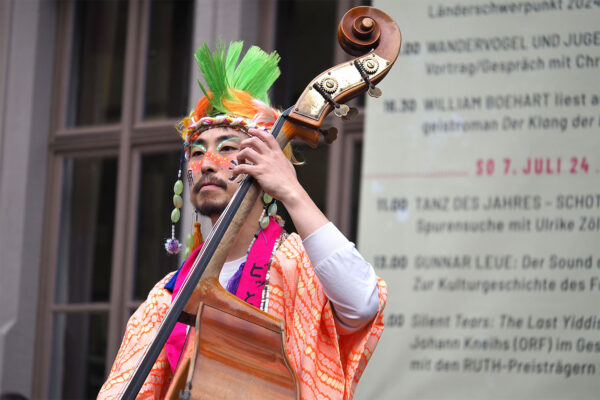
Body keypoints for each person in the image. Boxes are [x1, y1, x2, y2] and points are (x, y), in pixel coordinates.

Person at [98, 42, 386, 400]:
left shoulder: (296, 266)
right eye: (197, 151)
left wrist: (291, 191)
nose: (205, 163)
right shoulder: (170, 295)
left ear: (266, 162)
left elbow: (361, 304)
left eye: (228, 148)